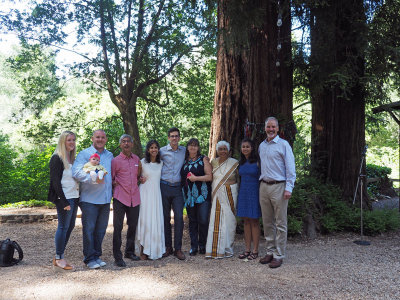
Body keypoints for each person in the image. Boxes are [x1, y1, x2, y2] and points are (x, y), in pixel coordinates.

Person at [72, 129, 113, 269]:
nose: (100, 139)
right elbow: (76, 172)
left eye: (102, 137)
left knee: (101, 230)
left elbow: (112, 174)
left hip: (106, 199)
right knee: (89, 229)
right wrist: (93, 179)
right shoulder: (84, 154)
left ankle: (96, 255)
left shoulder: (110, 155)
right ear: (92, 139)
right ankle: (89, 258)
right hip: (89, 199)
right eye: (97, 137)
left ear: (106, 139)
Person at [258, 117, 296, 268]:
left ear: (278, 129)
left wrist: (289, 188)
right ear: (265, 128)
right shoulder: (262, 145)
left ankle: (279, 255)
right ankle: (270, 251)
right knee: (267, 222)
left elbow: (290, 168)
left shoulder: (283, 145)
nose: (271, 129)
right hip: (264, 186)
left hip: (279, 187)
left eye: (273, 127)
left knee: (280, 222)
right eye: (268, 126)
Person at [48, 131, 79, 270]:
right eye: (69, 140)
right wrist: (64, 201)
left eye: (73, 140)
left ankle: (59, 255)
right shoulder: (57, 158)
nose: (72, 142)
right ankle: (59, 257)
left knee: (70, 226)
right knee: (62, 227)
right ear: (63, 142)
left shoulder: (71, 158)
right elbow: (55, 182)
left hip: (74, 197)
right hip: (64, 198)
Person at [111, 134, 142, 267]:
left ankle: (129, 251)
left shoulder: (136, 159)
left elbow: (138, 176)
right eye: (123, 142)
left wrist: (141, 180)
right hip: (120, 198)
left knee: (132, 226)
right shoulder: (115, 161)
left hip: (134, 198)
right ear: (120, 145)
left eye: (128, 141)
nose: (126, 144)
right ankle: (117, 256)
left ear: (132, 144)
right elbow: (111, 179)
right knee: (118, 228)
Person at [205, 141, 239, 259]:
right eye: (220, 149)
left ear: (229, 151)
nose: (223, 151)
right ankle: (213, 248)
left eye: (225, 149)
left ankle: (227, 247)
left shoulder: (234, 163)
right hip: (217, 194)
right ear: (217, 150)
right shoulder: (213, 162)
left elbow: (239, 179)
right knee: (215, 218)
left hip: (230, 194)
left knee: (229, 220)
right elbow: (208, 175)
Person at [180, 138, 212, 256]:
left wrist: (196, 178)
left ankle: (202, 245)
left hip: (203, 195)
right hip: (189, 196)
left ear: (198, 147)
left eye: (195, 145)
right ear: (187, 147)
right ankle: (194, 247)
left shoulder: (203, 159)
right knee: (192, 221)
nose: (193, 147)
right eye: (190, 145)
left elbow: (209, 177)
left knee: (203, 220)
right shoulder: (184, 161)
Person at [159, 127, 186, 260]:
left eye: (176, 136)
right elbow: (151, 161)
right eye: (172, 136)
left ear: (179, 137)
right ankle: (167, 247)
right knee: (165, 218)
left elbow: (195, 156)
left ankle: (178, 249)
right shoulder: (161, 151)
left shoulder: (184, 151)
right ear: (168, 138)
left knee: (179, 218)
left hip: (177, 189)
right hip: (164, 186)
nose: (174, 138)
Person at [136, 140, 165, 260]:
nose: (154, 149)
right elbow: (136, 177)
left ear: (158, 150)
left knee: (155, 220)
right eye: (151, 148)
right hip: (144, 194)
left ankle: (155, 248)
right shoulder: (142, 162)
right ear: (148, 150)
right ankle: (143, 249)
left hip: (156, 195)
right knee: (144, 219)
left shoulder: (161, 163)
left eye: (156, 147)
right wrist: (140, 179)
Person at [236, 138, 261, 260]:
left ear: (252, 148)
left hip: (255, 193)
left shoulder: (257, 161)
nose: (245, 148)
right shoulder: (240, 162)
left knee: (254, 221)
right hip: (243, 193)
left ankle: (255, 250)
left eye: (247, 146)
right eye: (243, 146)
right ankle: (247, 249)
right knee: (246, 221)